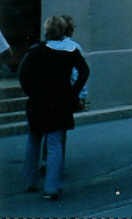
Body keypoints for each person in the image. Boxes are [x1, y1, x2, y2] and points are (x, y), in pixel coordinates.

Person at [20, 15, 89, 200]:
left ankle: (29, 181)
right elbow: (84, 72)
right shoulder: (71, 51)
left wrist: (31, 91)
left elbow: (23, 74)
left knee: (34, 140)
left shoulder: (36, 51)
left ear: (47, 31)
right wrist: (74, 93)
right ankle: (51, 187)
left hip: (37, 101)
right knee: (55, 144)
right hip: (60, 102)